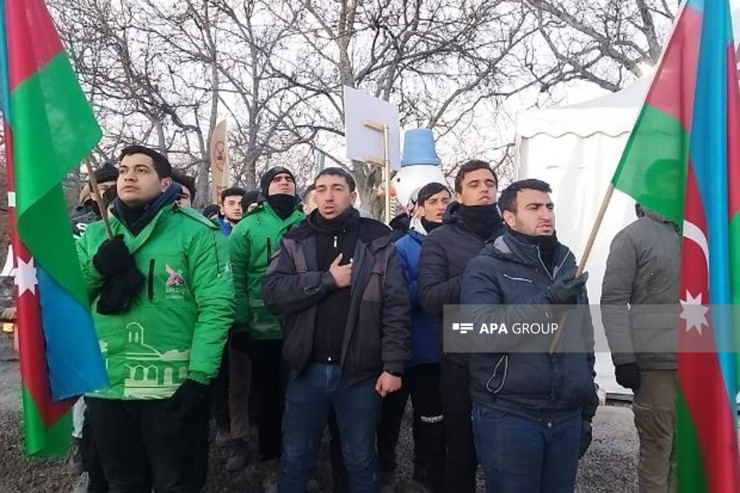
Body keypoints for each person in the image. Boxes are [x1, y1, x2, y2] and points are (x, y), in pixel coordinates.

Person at [77, 144, 234, 492]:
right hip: (107, 386)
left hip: (170, 388)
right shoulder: (94, 236)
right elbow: (71, 301)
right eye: (123, 169)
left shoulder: (198, 233)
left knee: (175, 483)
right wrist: (97, 268)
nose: (129, 175)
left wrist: (200, 377)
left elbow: (217, 306)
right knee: (122, 482)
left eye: (141, 169)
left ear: (165, 184)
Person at [262, 167, 411, 492]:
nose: (328, 196)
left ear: (353, 195)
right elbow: (272, 294)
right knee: (297, 455)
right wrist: (328, 280)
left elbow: (396, 308)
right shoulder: (295, 240)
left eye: (337, 188)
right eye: (321, 189)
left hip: (360, 373)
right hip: (306, 371)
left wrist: (393, 366)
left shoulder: (378, 241)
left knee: (360, 458)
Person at [461, 178, 597, 492]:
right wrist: (548, 304)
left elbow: (584, 339)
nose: (545, 214)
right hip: (510, 413)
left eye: (548, 206)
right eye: (534, 207)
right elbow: (481, 332)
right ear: (509, 218)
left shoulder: (568, 263)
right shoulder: (486, 267)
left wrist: (586, 406)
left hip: (565, 414)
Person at [418, 160, 503, 493]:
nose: (484, 188)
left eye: (490, 182)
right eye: (474, 184)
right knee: (461, 452)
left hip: (509, 356)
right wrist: (478, 274)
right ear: (459, 193)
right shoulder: (440, 239)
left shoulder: (512, 233)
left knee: (505, 452)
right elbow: (430, 298)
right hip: (461, 360)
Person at [229, 167, 305, 487]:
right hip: (261, 330)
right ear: (264, 188)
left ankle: (301, 460)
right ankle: (271, 461)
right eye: (277, 179)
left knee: (301, 396)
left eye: (289, 179)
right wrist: (241, 323)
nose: (284, 182)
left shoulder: (308, 222)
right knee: (268, 397)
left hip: (302, 326)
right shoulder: (247, 227)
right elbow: (235, 276)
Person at [601, 204, 680, 493]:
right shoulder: (632, 238)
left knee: (689, 453)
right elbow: (613, 301)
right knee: (658, 451)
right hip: (656, 365)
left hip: (703, 363)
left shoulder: (704, 233)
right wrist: (624, 358)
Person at [378, 182, 450, 492]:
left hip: (441, 351)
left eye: (445, 200)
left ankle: (426, 475)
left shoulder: (456, 244)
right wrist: (433, 288)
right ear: (418, 208)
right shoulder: (401, 248)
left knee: (431, 420)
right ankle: (384, 470)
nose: (441, 206)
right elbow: (394, 298)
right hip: (405, 349)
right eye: (433, 201)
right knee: (390, 418)